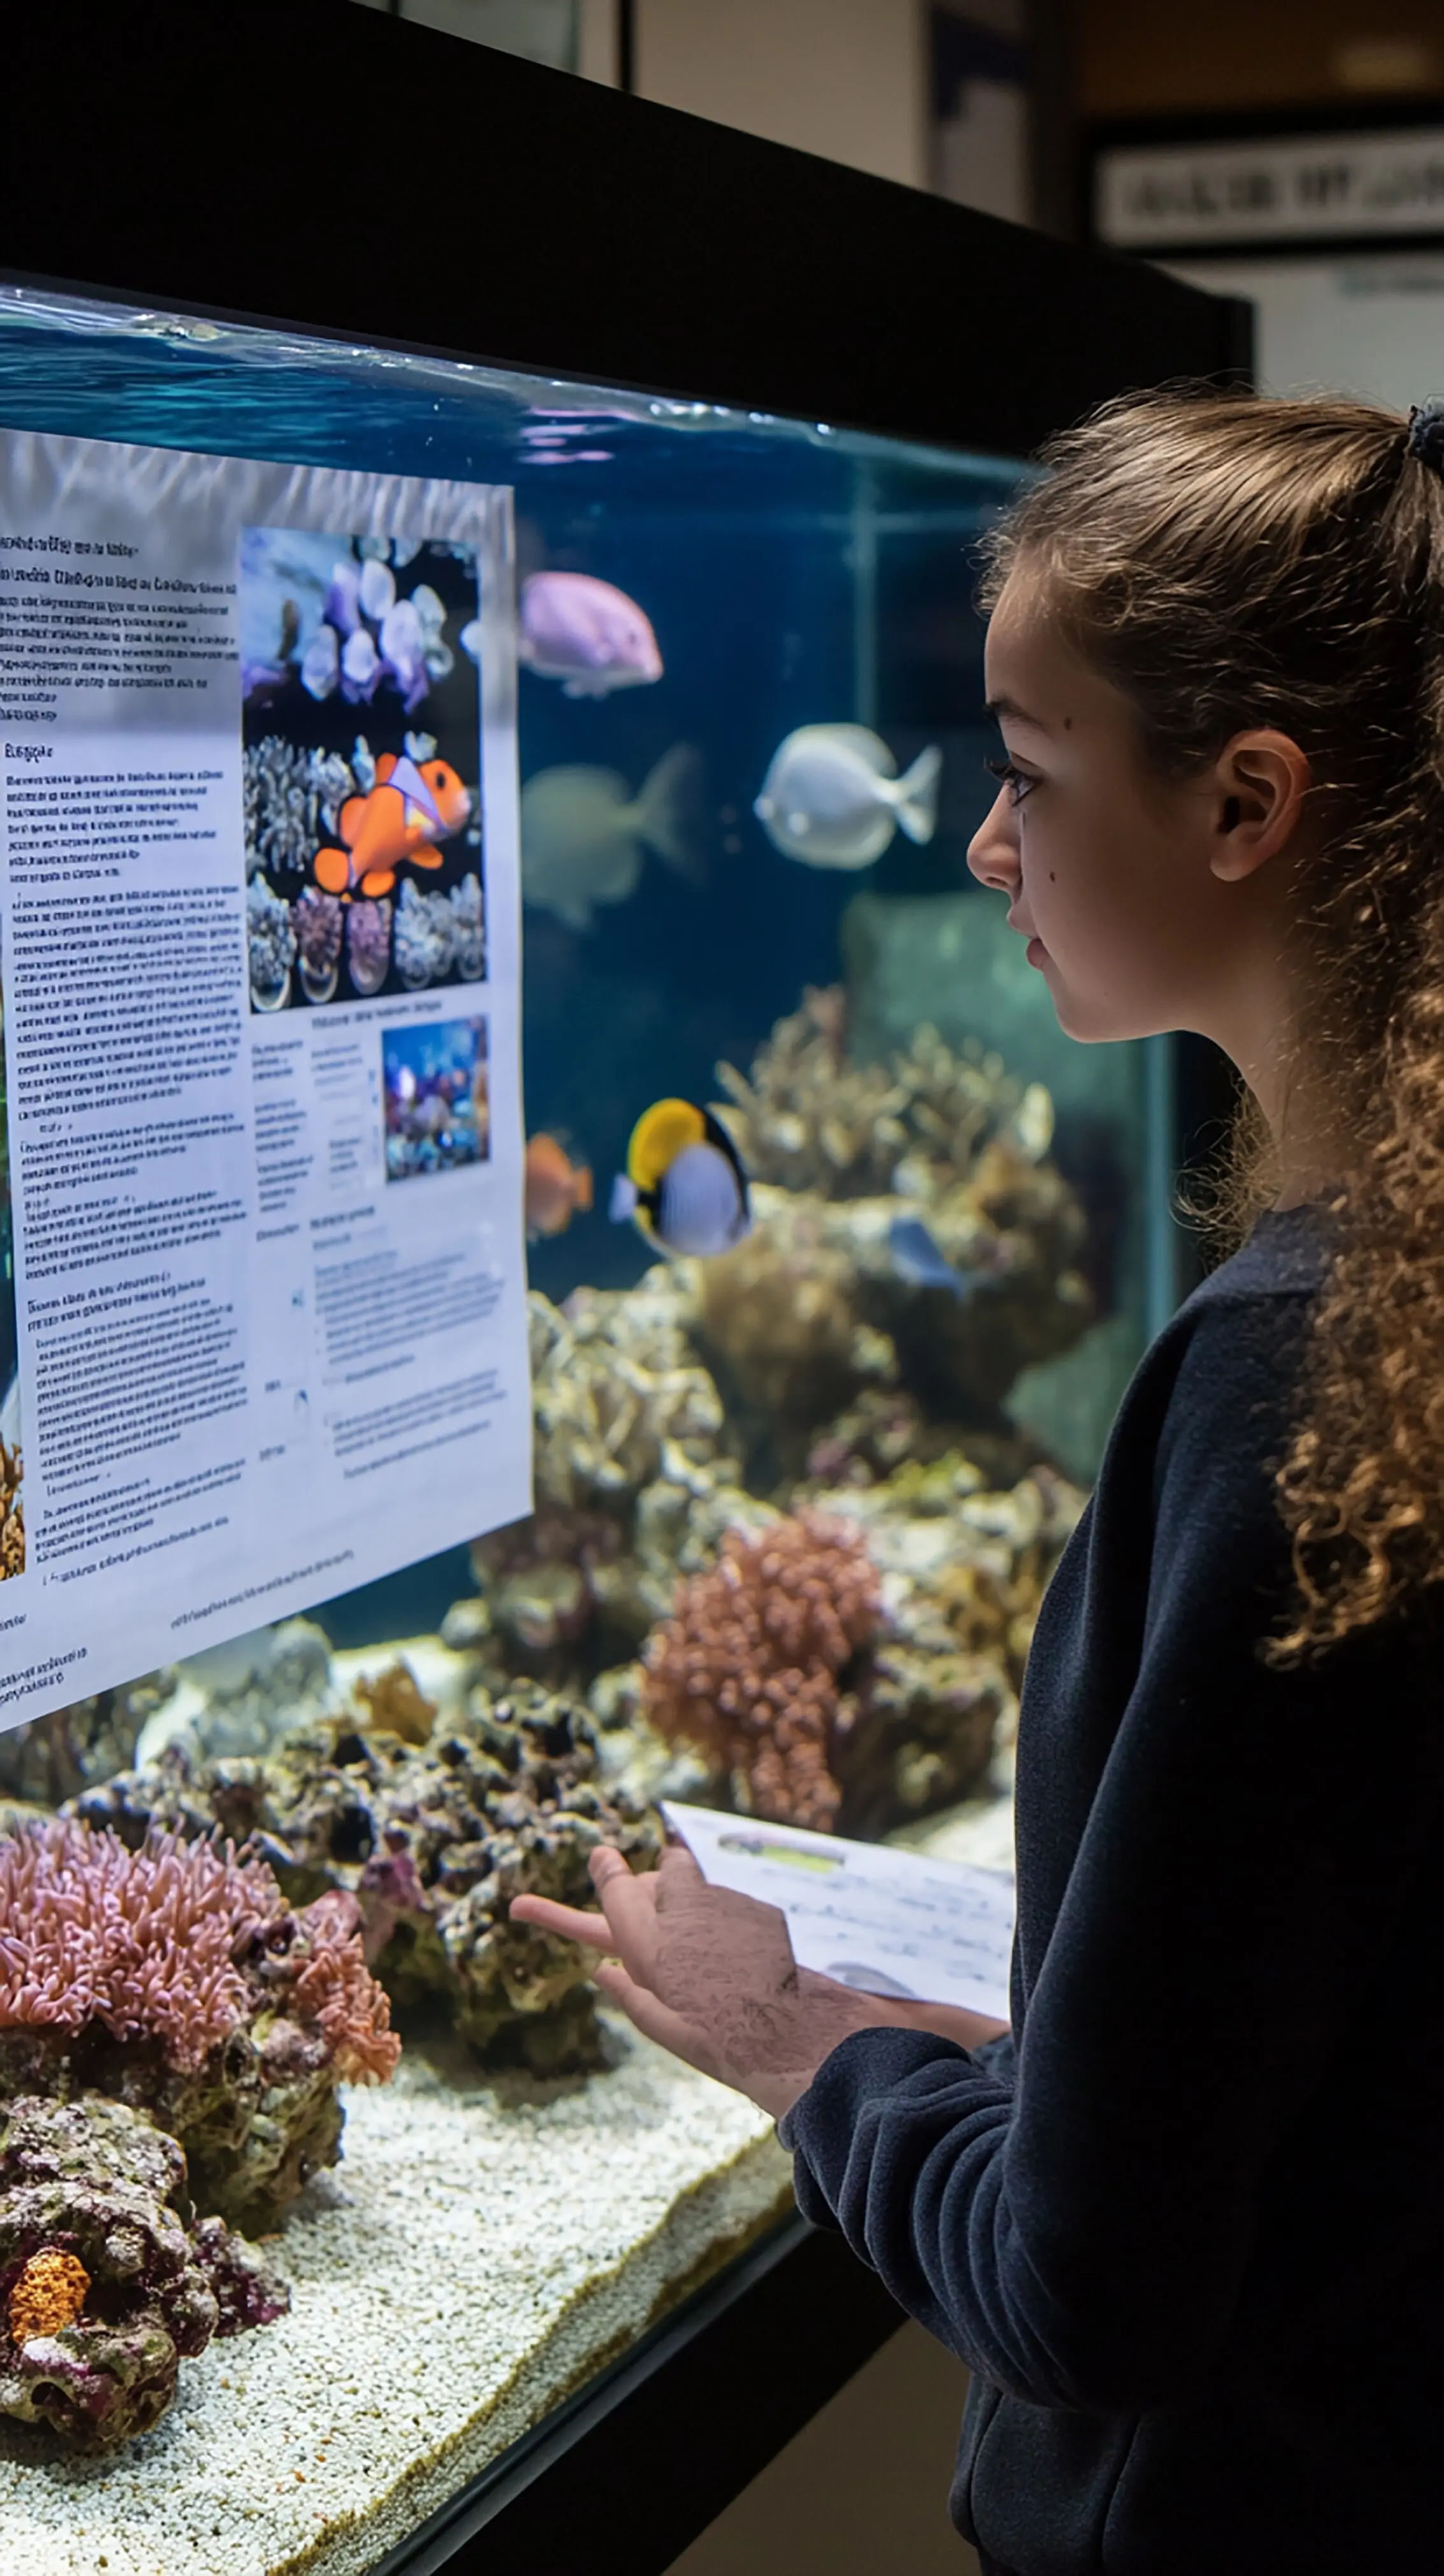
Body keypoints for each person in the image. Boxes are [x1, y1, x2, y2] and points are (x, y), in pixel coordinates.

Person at [512, 390, 1444, 2575]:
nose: (985, 844)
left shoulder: (1306, 1374)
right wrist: (1047, 2063)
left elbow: (1092, 2291)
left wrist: (801, 2041)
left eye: (1029, 769)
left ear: (1246, 801)